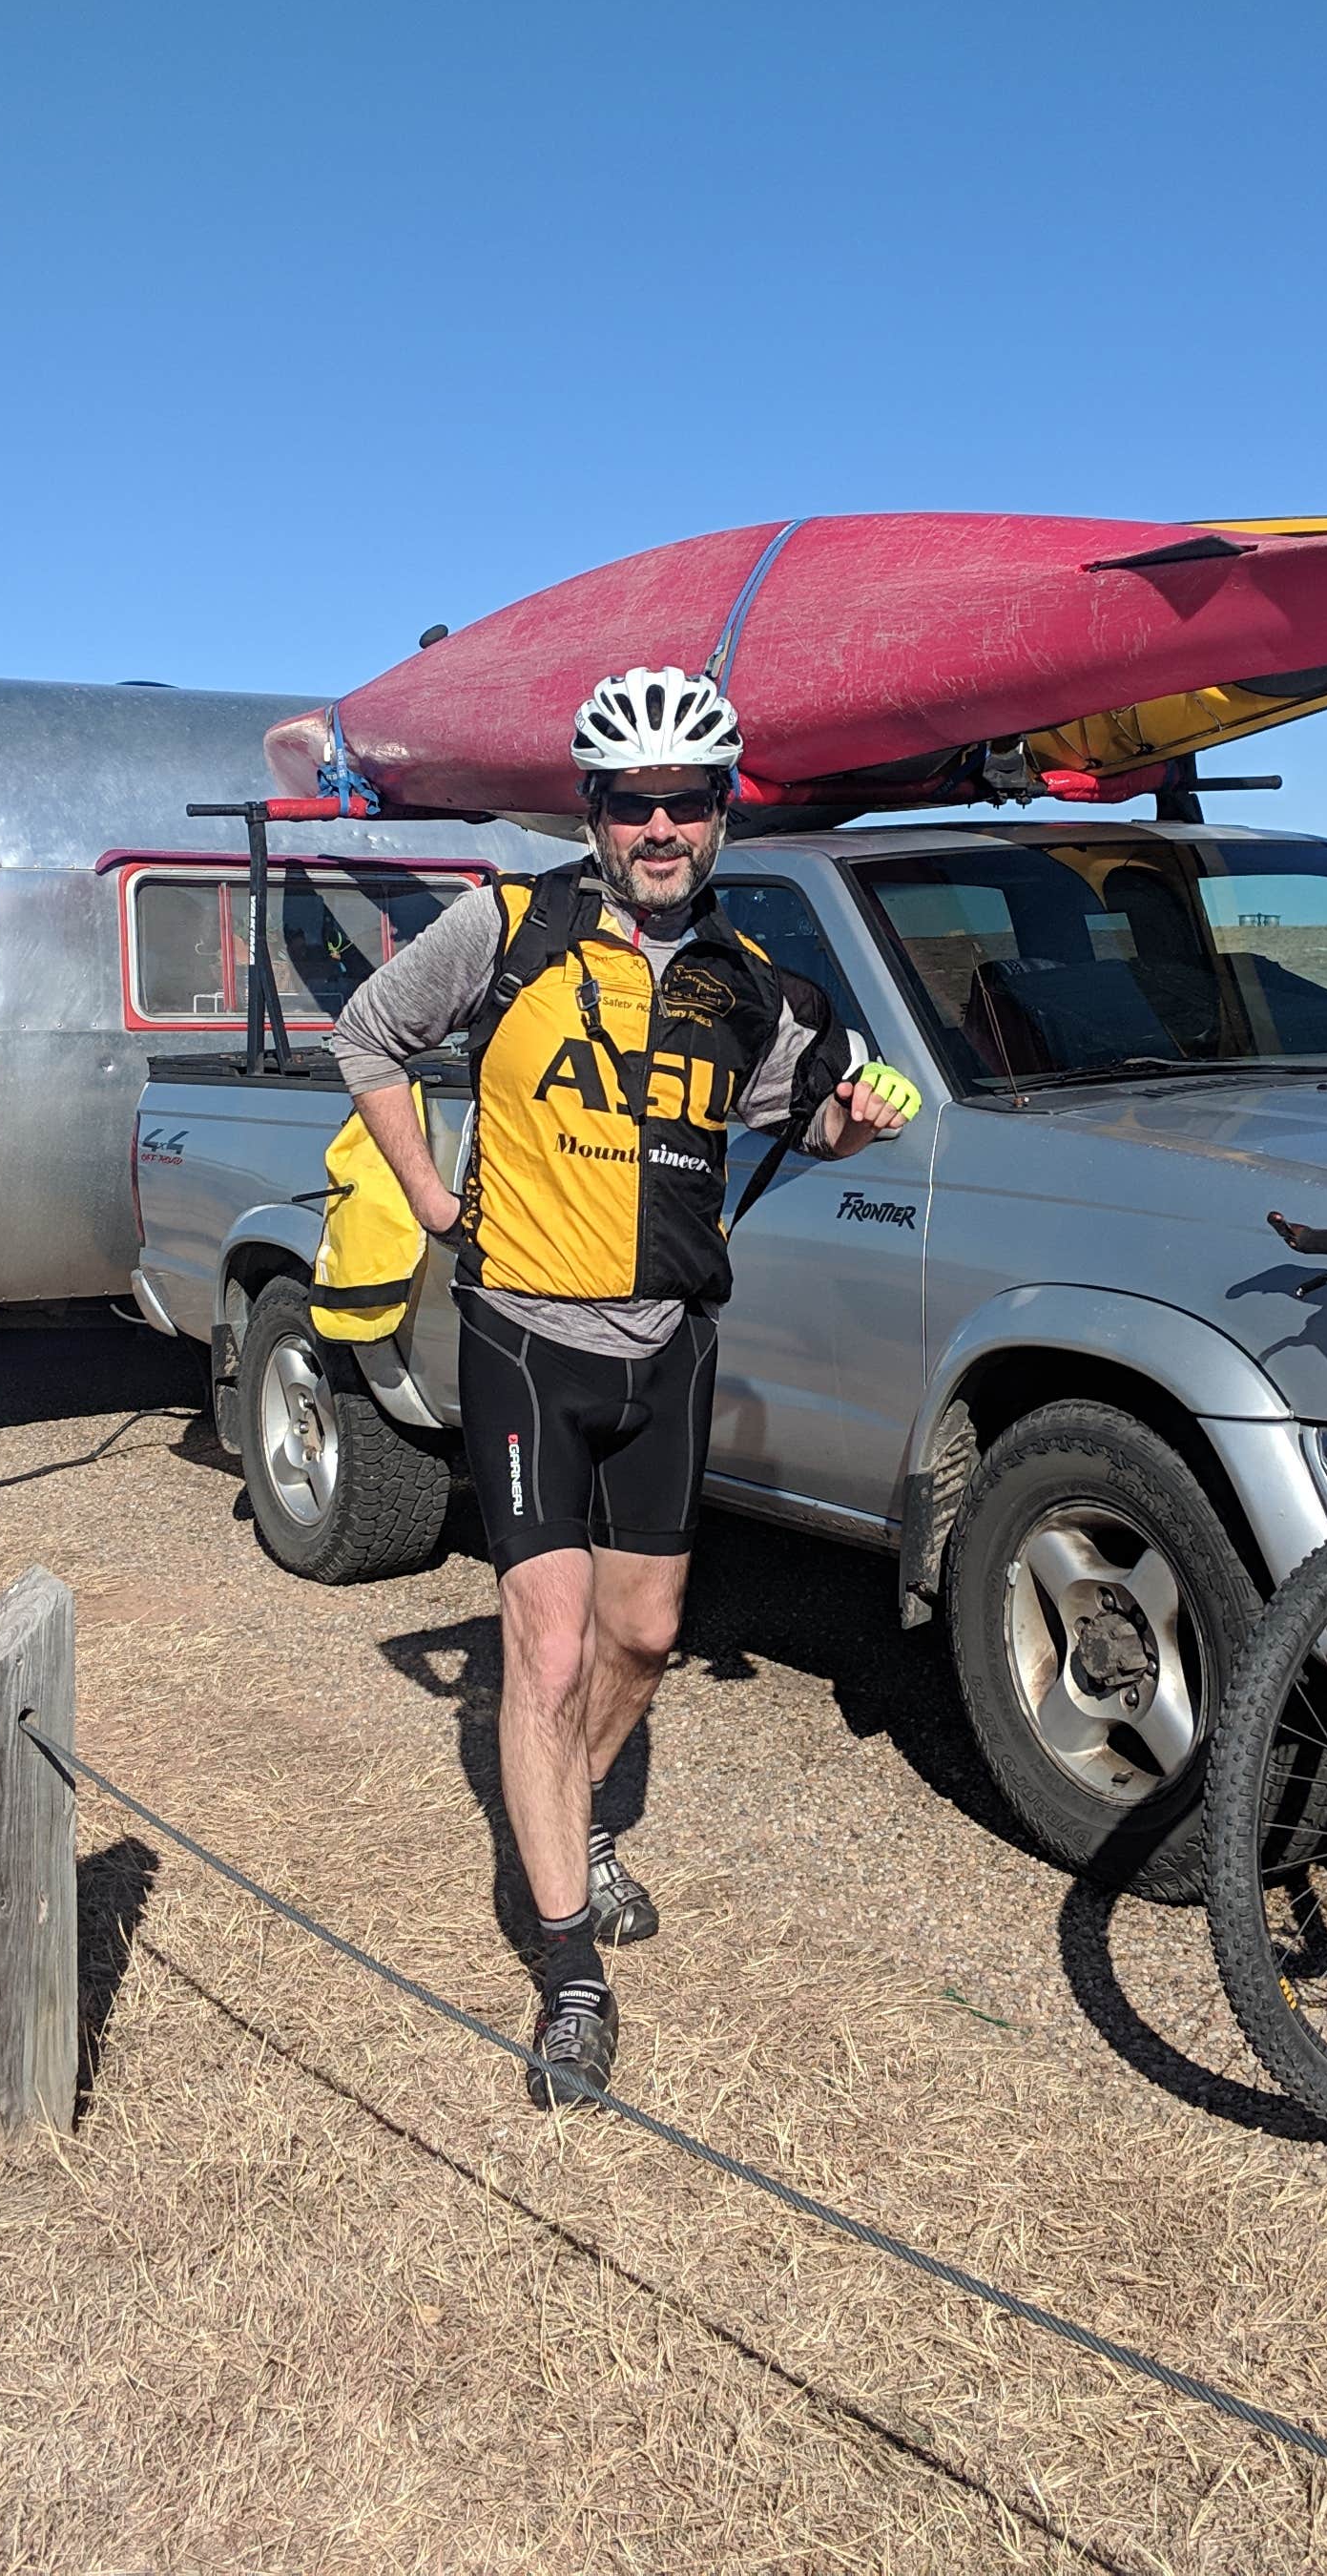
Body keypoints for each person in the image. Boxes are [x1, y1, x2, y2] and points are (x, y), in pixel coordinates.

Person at [330, 666, 923, 2106]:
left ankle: (577, 1809)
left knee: (644, 1636)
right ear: (591, 813)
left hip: (671, 1343)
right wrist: (431, 1198)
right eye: (633, 803)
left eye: (686, 802)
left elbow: (807, 1120)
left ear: (721, 813)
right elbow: (368, 1036)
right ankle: (569, 1971)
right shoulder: (509, 927)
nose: (661, 827)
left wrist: (857, 1121)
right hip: (526, 1338)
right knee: (544, 1654)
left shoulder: (754, 984)